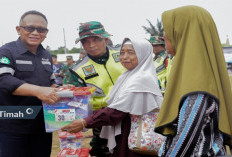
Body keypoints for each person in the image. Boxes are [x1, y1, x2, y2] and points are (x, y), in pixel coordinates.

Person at [62, 37, 163, 157]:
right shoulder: (127, 75)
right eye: (122, 52)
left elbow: (117, 111)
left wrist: (85, 122)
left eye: (131, 53)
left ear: (143, 54)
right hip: (125, 130)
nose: (124, 57)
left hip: (135, 134)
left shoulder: (141, 78)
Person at [155, 6, 232, 156]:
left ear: (184, 33)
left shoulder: (196, 84)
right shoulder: (196, 74)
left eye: (169, 30)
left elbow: (184, 144)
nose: (164, 36)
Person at [0, 10, 60, 157]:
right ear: (18, 29)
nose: (35, 32)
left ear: (46, 32)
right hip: (13, 126)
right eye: (29, 28)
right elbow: (3, 80)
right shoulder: (6, 51)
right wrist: (38, 90)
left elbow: (50, 82)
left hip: (42, 125)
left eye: (41, 29)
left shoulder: (46, 55)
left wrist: (60, 89)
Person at [71, 21, 126, 156]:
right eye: (85, 41)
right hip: (102, 121)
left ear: (106, 39)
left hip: (130, 114)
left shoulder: (123, 53)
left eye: (96, 39)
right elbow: (75, 101)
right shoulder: (77, 69)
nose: (91, 45)